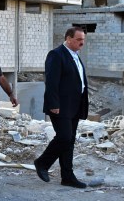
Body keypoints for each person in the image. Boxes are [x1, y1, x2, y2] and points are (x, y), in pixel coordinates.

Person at [34, 27, 89, 189]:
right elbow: (51, 81)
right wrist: (53, 104)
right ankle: (42, 163)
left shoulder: (76, 56)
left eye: (83, 39)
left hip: (75, 105)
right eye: (79, 39)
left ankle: (67, 176)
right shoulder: (56, 55)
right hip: (60, 106)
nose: (82, 42)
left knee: (69, 140)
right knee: (64, 137)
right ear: (68, 39)